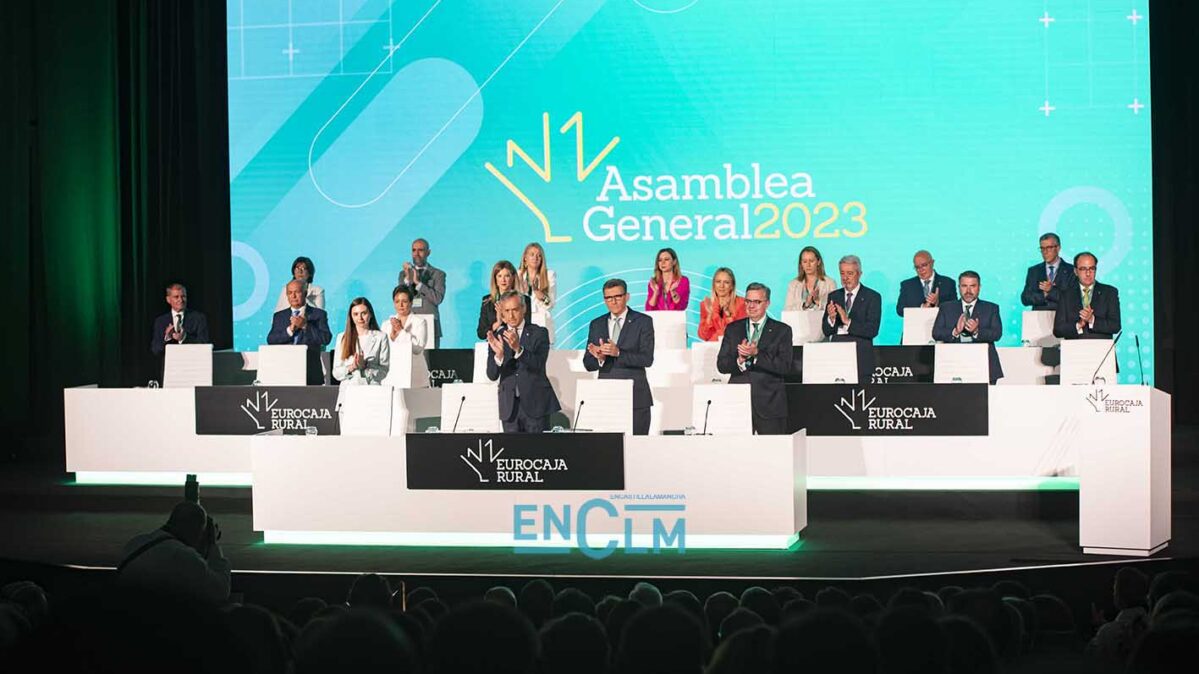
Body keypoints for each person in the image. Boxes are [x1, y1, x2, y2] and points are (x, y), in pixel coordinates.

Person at [118, 501, 229, 606]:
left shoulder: (135, 543)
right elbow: (220, 591)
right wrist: (212, 544)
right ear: (197, 531)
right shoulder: (182, 556)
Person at [716, 282, 794, 434]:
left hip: (770, 404)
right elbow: (722, 365)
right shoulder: (733, 329)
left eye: (757, 302)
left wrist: (757, 354)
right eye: (748, 301)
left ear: (767, 303)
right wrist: (739, 360)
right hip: (737, 403)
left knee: (771, 448)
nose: (751, 306)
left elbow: (784, 366)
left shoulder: (782, 330)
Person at [583, 279, 655, 435]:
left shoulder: (643, 322)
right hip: (607, 397)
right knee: (607, 447)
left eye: (618, 296)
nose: (613, 301)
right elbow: (588, 364)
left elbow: (647, 359)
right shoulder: (596, 324)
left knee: (638, 445)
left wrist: (618, 353)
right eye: (609, 298)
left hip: (636, 397)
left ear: (627, 296)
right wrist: (600, 358)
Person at [485, 291, 561, 433]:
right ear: (502, 313)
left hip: (536, 405)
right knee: (511, 447)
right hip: (509, 408)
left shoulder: (539, 333)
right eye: (507, 311)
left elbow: (538, 364)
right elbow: (492, 375)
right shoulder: (497, 337)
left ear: (523, 309)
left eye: (515, 310)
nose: (511, 315)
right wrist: (499, 356)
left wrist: (518, 349)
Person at [932, 271, 1005, 384]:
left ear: (979, 287)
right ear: (959, 287)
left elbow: (997, 334)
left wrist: (976, 331)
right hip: (953, 365)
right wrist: (955, 331)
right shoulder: (946, 308)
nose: (968, 291)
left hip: (984, 365)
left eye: (972, 286)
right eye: (964, 286)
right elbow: (936, 333)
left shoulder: (991, 308)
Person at [822, 255, 882, 384]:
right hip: (836, 357)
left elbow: (872, 330)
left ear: (859, 274)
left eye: (850, 273)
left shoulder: (872, 297)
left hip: (860, 357)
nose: (845, 278)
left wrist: (847, 321)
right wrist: (831, 319)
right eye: (842, 273)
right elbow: (826, 331)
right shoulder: (834, 296)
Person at [267, 279, 333, 384]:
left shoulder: (318, 314)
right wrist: (289, 330)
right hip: (285, 371)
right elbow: (271, 339)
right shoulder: (279, 316)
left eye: (297, 292)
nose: (293, 296)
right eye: (290, 293)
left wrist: (305, 326)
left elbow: (326, 339)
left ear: (305, 293)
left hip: (310, 372)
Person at [1053, 251, 1121, 340]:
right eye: (1083, 269)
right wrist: (1078, 325)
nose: (1088, 273)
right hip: (1074, 347)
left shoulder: (1110, 292)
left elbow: (1115, 326)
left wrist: (1092, 320)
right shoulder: (1066, 295)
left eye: (1092, 268)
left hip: (1101, 347)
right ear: (1075, 271)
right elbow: (1058, 330)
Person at [396, 238, 446, 348]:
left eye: (420, 250)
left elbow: (437, 299)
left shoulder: (438, 274)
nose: (416, 254)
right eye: (414, 250)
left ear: (428, 252)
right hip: (408, 325)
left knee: (431, 359)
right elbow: (401, 298)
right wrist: (408, 279)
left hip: (430, 326)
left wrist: (419, 284)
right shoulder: (403, 275)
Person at [332, 297, 390, 385]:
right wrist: (352, 367)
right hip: (349, 389)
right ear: (351, 316)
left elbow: (384, 370)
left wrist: (365, 367)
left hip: (371, 388)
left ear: (370, 314)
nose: (360, 318)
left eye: (364, 313)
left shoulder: (381, 337)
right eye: (356, 314)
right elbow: (336, 372)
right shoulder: (342, 337)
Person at [151, 283, 210, 355]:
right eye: (176, 297)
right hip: (170, 361)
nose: (181, 300)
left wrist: (184, 338)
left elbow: (204, 345)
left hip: (191, 360)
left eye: (183, 296)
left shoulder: (198, 318)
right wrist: (167, 338)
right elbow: (156, 349)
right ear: (168, 299)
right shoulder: (161, 321)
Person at [1021, 232, 1075, 311]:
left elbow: (1073, 299)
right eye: (1042, 248)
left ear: (1058, 248)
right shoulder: (1034, 271)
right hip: (1039, 317)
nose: (1045, 252)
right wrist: (1044, 295)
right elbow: (1025, 298)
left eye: (1049, 248)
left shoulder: (1072, 271)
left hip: (1063, 317)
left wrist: (1051, 291)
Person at [517, 242, 557, 343]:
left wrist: (541, 295)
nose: (535, 258)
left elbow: (550, 304)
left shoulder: (549, 275)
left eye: (539, 255)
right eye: (532, 254)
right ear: (525, 258)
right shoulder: (517, 275)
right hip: (521, 323)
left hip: (541, 322)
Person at [896, 250, 957, 316]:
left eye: (924, 265)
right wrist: (921, 307)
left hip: (941, 322)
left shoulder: (948, 283)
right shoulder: (907, 285)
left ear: (932, 263)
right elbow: (900, 310)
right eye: (917, 267)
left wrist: (937, 303)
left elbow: (954, 308)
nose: (921, 270)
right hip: (916, 322)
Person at [477, 260, 525, 340]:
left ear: (513, 278)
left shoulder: (524, 299)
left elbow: (527, 328)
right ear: (495, 279)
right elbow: (481, 333)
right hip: (495, 343)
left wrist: (505, 318)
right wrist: (498, 323)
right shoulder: (487, 301)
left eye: (507, 276)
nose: (503, 280)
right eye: (499, 276)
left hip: (518, 342)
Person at [698, 267, 747, 342]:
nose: (721, 286)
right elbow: (703, 336)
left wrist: (728, 316)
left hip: (733, 346)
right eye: (718, 282)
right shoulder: (706, 304)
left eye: (726, 282)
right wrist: (709, 316)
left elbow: (737, 333)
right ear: (714, 284)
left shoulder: (742, 303)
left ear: (732, 285)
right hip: (712, 347)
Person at [784, 246, 837, 312]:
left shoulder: (830, 283)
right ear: (801, 264)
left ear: (818, 262)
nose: (808, 265)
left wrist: (818, 301)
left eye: (811, 261)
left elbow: (835, 309)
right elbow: (787, 310)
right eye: (805, 261)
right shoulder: (793, 284)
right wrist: (805, 304)